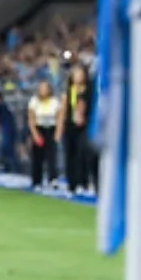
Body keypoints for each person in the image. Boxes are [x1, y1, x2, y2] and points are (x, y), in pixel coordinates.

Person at [62, 64, 93, 193]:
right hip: (70, 125)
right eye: (75, 74)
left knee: (83, 152)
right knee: (70, 153)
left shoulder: (89, 90)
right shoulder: (69, 91)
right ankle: (72, 182)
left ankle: (83, 181)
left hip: (85, 125)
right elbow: (64, 109)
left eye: (80, 74)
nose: (78, 77)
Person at [27, 79, 62, 190]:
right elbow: (31, 119)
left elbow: (59, 118)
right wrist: (35, 134)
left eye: (45, 88)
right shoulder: (34, 102)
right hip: (39, 128)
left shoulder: (55, 102)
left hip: (51, 129)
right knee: (37, 156)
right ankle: (36, 180)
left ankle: (53, 179)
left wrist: (58, 134)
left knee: (52, 155)